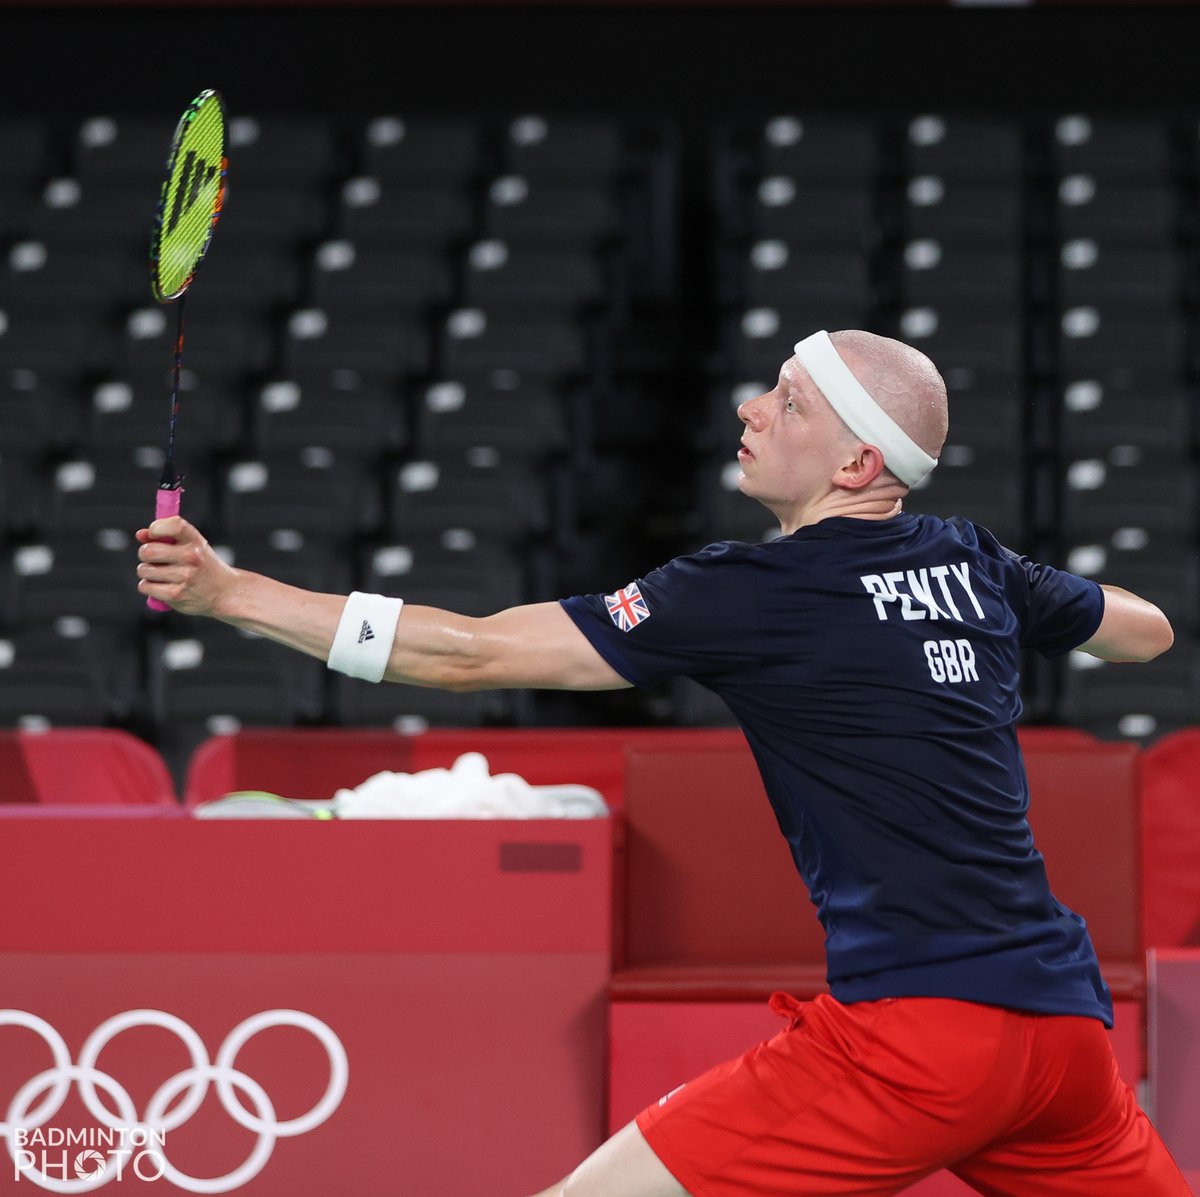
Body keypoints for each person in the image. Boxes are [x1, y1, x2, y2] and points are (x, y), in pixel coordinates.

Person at [135, 329, 1190, 1197]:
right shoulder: (973, 561)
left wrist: (232, 596)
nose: (751, 410)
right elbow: (1148, 634)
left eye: (789, 401)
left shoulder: (746, 589)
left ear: (857, 466)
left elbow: (470, 653)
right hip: (1064, 1036)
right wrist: (1024, 598)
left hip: (915, 1037)